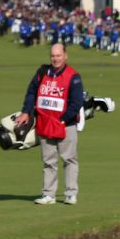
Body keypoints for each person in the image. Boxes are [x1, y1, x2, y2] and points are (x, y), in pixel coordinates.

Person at [15, 43, 83, 205]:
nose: (55, 59)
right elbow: (32, 92)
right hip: (44, 123)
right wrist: (26, 111)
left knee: (69, 159)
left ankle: (70, 194)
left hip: (65, 125)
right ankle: (48, 195)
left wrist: (62, 120)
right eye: (53, 56)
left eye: (58, 55)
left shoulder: (73, 76)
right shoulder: (42, 72)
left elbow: (76, 103)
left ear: (65, 56)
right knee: (48, 161)